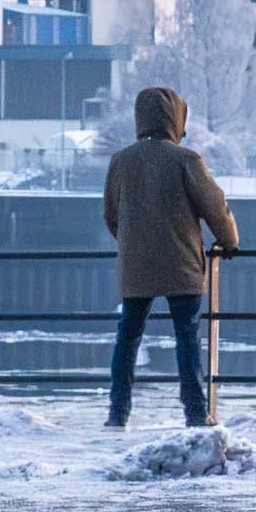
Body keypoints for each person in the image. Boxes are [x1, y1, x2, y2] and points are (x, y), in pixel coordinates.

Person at [104, 86, 240, 430]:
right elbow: (215, 208)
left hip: (136, 266)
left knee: (128, 336)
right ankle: (195, 412)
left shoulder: (121, 161)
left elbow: (111, 213)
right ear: (175, 120)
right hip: (182, 266)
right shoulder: (186, 160)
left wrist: (131, 243)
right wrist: (229, 241)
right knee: (186, 336)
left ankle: (117, 414)